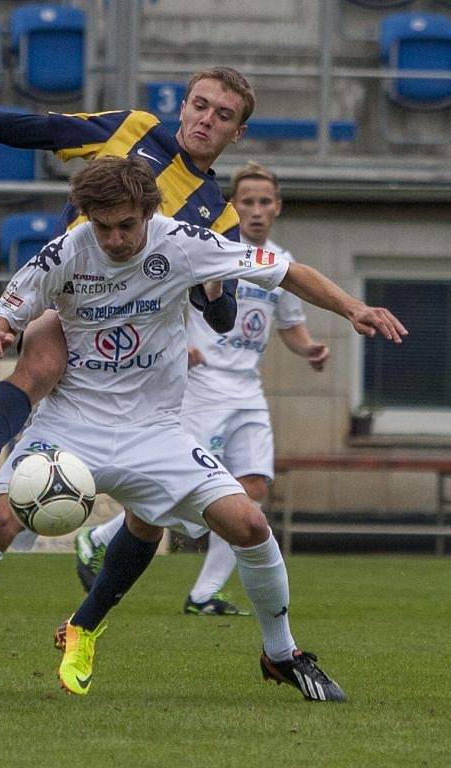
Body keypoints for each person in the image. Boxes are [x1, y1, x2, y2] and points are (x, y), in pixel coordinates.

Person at [0, 156, 407, 703]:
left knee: (250, 524)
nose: (113, 238)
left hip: (156, 431)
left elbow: (283, 270)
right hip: (69, 426)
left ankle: (282, 654)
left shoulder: (182, 242)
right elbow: (7, 315)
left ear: (149, 213)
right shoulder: (63, 254)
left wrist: (353, 307)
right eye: (102, 225)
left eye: (126, 225)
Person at [0, 66, 256, 522]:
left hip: (142, 339)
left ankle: (95, 571)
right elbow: (40, 129)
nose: (206, 120)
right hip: (74, 302)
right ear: (182, 106)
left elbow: (221, 318)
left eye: (223, 115)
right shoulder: (133, 129)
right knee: (39, 366)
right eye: (200, 105)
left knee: (147, 519)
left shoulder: (220, 216)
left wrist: (214, 295)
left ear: (238, 131)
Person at [74, 162, 329, 618]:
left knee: (251, 491)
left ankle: (203, 593)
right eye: (246, 202)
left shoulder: (278, 262)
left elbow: (290, 325)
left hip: (248, 389)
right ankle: (100, 537)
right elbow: (163, 298)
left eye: (264, 202)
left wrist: (309, 349)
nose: (255, 211)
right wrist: (185, 343)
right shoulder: (208, 247)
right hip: (201, 386)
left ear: (277, 207)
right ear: (233, 206)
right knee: (178, 489)